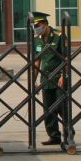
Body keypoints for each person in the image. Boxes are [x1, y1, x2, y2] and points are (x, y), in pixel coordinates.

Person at [32, 12, 68, 146]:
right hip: (45, 78)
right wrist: (33, 80)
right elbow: (37, 61)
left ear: (46, 24)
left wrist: (64, 75)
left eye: (39, 25)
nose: (37, 28)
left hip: (59, 77)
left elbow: (66, 58)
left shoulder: (59, 36)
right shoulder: (37, 39)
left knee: (61, 108)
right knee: (48, 109)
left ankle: (69, 135)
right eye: (35, 26)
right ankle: (54, 136)